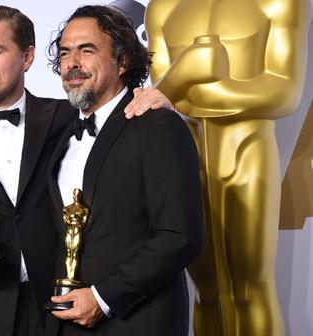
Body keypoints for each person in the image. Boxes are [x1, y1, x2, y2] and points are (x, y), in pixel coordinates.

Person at [0, 5, 171, 336]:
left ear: (27, 57)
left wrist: (156, 102)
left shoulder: (68, 118)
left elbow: (115, 115)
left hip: (54, 312)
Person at [144, 0, 310, 335]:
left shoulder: (278, 2)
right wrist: (189, 71)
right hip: (187, 157)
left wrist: (191, 83)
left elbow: (283, 92)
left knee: (249, 289)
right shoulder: (162, 7)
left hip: (247, 150)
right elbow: (160, 99)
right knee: (206, 292)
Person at [45, 5, 204, 335]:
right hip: (66, 322)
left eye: (86, 50)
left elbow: (180, 237)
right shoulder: (62, 136)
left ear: (123, 61)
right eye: (64, 53)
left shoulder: (158, 125)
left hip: (136, 322)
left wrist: (102, 298)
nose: (72, 63)